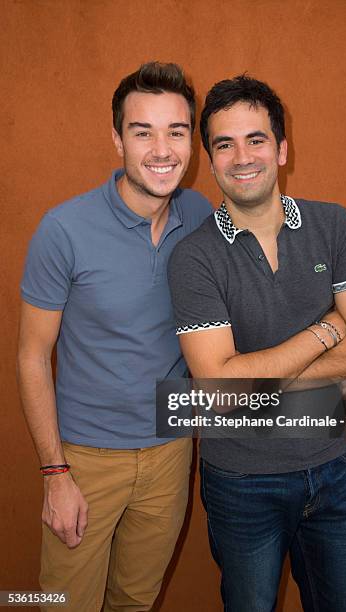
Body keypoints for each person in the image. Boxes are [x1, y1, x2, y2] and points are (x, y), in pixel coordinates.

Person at [168, 75, 346, 611]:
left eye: (256, 139)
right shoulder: (193, 257)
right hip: (242, 484)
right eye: (225, 143)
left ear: (282, 148)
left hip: (335, 473)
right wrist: (327, 330)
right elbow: (217, 385)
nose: (242, 157)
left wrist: (258, 378)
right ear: (210, 159)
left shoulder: (334, 225)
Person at [17, 62, 212, 612]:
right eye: (141, 131)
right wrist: (56, 474)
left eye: (175, 132)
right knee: (65, 604)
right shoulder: (64, 229)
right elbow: (32, 357)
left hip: (171, 449)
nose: (162, 149)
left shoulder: (199, 215)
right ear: (116, 139)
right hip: (84, 457)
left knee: (135, 600)